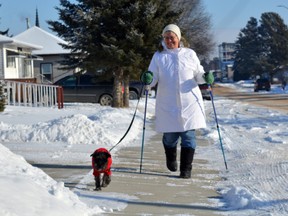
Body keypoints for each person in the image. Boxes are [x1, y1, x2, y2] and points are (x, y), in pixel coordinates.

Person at [141, 24, 214, 179]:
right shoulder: (159, 56)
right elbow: (152, 78)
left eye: (172, 37)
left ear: (178, 38)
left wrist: (206, 77)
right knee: (170, 137)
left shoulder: (190, 54)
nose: (169, 40)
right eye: (166, 37)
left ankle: (186, 170)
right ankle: (171, 157)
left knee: (189, 137)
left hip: (189, 103)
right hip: (168, 103)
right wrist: (148, 79)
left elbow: (198, 74)